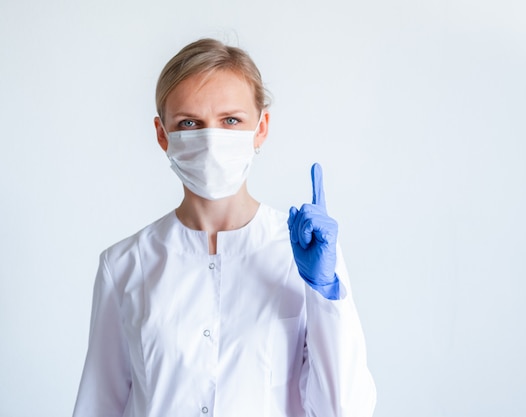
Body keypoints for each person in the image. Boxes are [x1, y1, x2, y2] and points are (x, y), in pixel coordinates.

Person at [72, 38, 376, 417]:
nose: (212, 140)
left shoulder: (305, 252)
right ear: (162, 134)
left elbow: (344, 409)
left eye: (231, 120)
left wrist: (324, 290)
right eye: (189, 123)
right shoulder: (124, 266)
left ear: (261, 127)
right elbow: (98, 406)